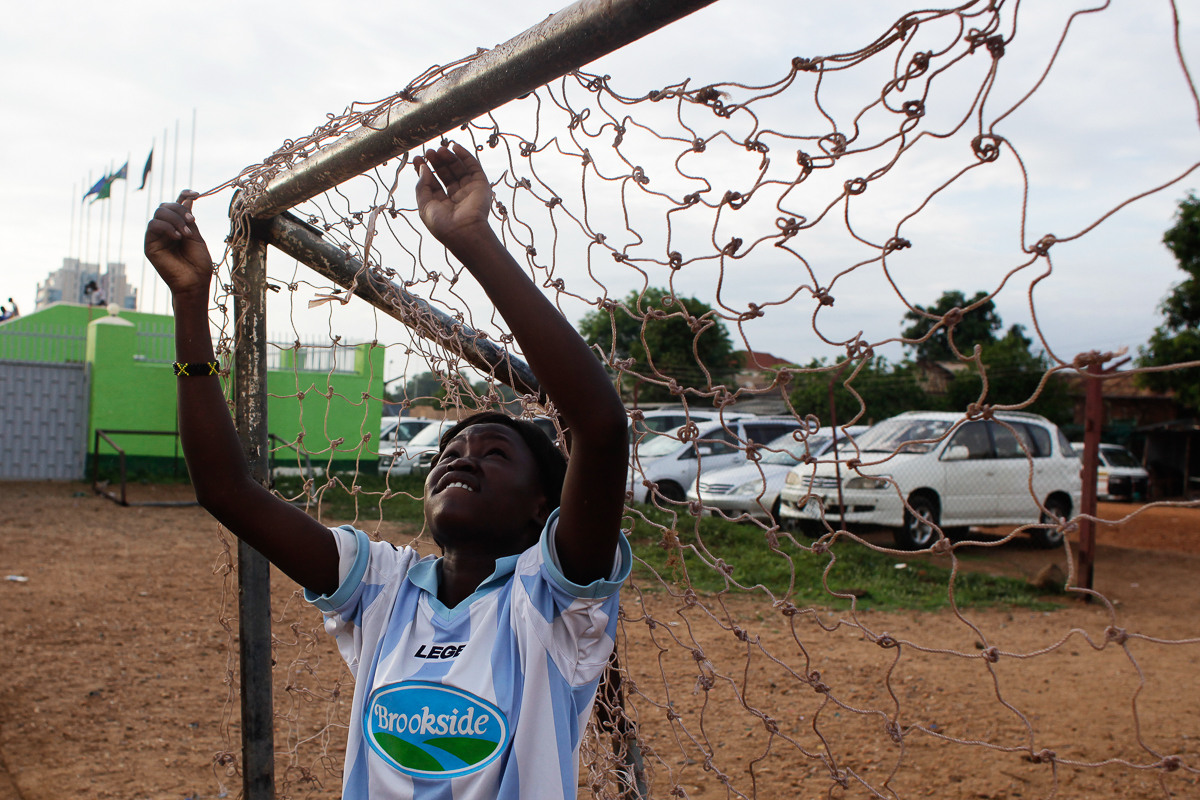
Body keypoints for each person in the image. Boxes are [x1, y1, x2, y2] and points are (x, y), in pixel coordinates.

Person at [144, 143, 630, 798]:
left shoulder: (551, 599)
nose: (460, 460)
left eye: (492, 453)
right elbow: (227, 491)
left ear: (543, 509)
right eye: (448, 455)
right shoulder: (382, 587)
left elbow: (599, 429)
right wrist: (189, 305)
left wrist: (470, 239)